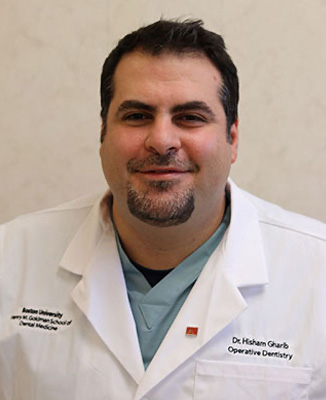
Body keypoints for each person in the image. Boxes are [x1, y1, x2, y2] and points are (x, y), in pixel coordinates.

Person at [0, 19, 325, 400]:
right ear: (103, 133)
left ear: (231, 139)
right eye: (137, 116)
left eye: (190, 117)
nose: (162, 140)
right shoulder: (9, 257)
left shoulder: (317, 273)